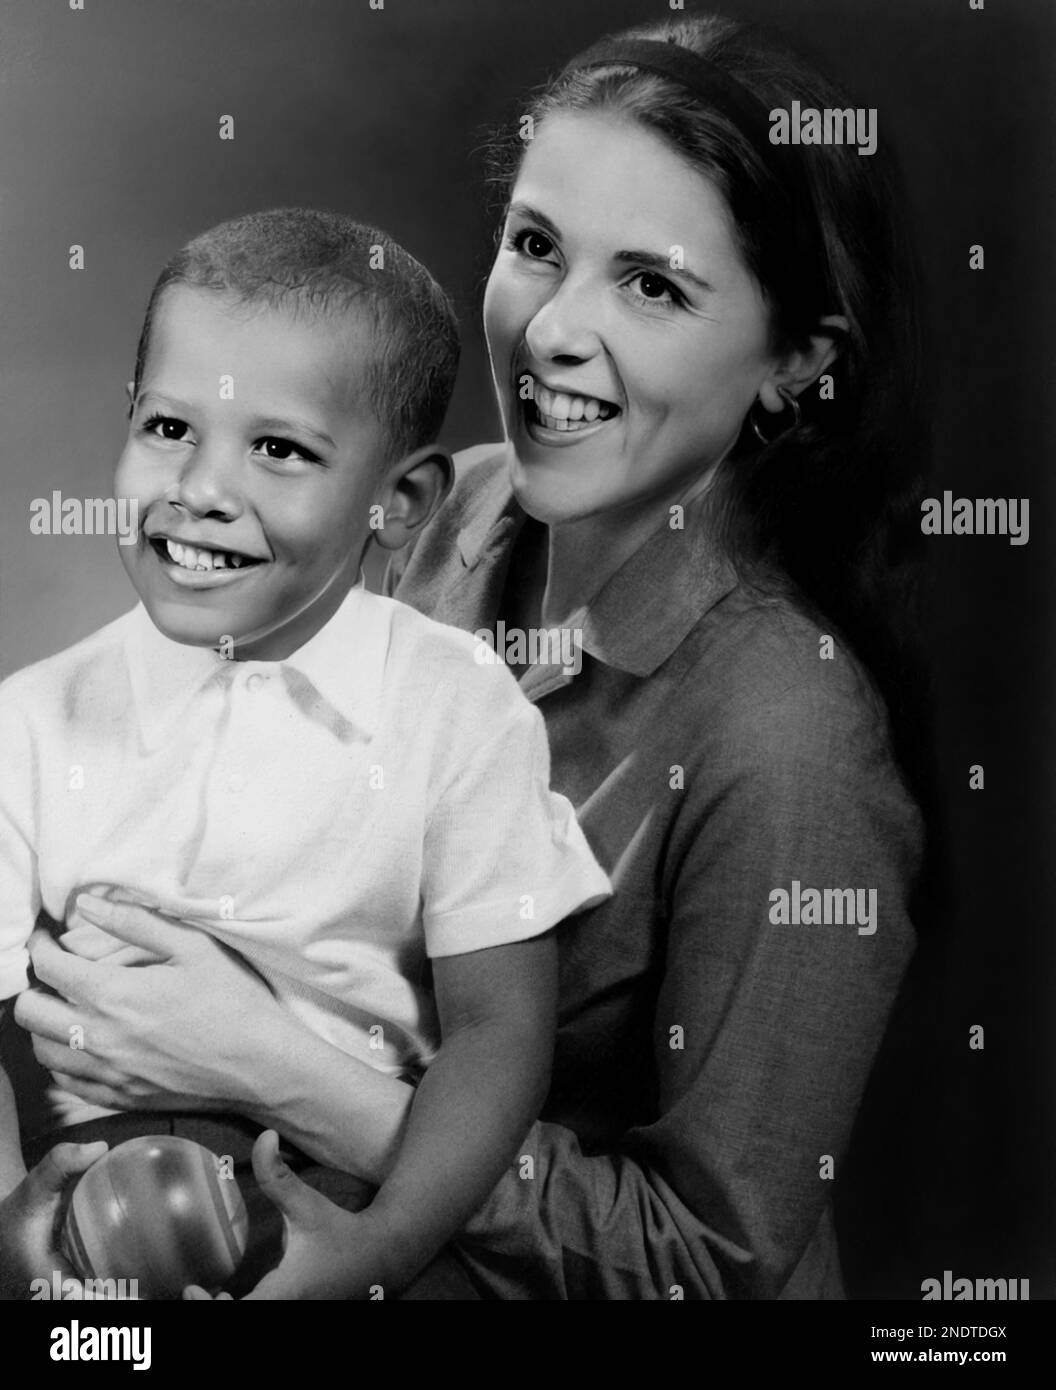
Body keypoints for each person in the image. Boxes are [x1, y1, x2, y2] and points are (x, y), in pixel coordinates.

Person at [13, 13, 928, 1299]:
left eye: (652, 284)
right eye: (537, 247)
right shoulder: (415, 511)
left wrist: (280, 1069)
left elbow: (709, 1261)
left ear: (796, 364)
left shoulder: (792, 744)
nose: (552, 330)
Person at [0, 207, 611, 1300]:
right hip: (98, 1210)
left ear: (401, 501)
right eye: (168, 428)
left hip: (361, 1202)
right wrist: (12, 1222)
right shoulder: (32, 722)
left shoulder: (458, 711)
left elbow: (499, 1038)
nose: (200, 489)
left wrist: (381, 1249)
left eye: (278, 449)